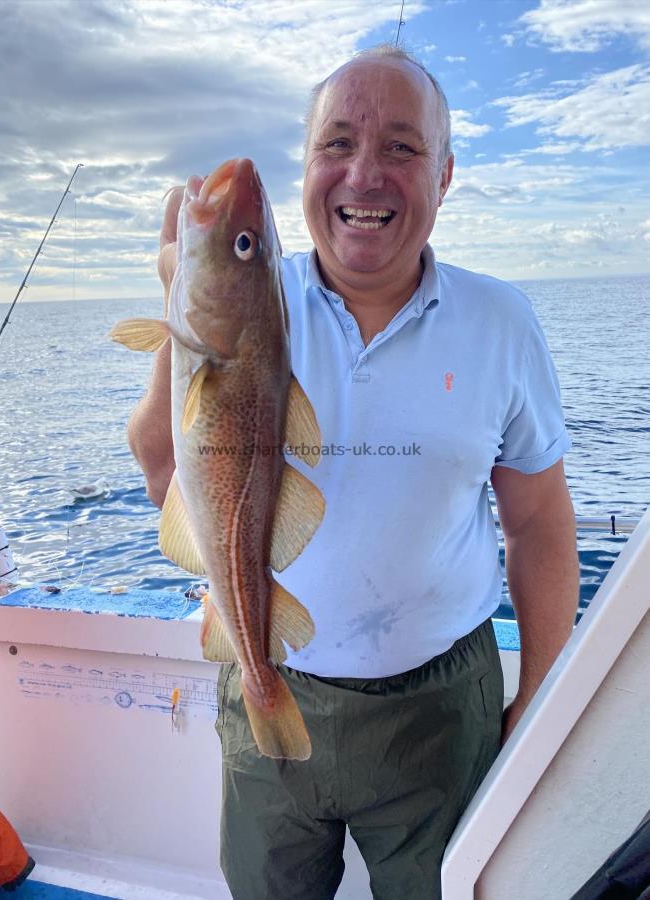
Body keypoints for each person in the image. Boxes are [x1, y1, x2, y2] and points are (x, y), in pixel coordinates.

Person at [127, 45, 579, 900]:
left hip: (443, 711)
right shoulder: (261, 296)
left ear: (444, 175)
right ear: (308, 168)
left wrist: (541, 698)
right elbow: (162, 473)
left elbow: (539, 525)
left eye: (402, 148)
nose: (364, 175)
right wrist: (180, 318)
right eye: (337, 143)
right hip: (268, 671)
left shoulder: (502, 322)